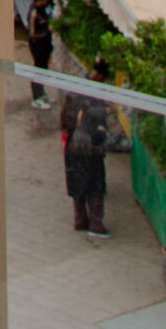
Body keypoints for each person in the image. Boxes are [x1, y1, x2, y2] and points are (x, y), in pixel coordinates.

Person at [60, 78, 112, 238]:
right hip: (91, 151)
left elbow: (65, 120)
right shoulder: (96, 103)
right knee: (95, 188)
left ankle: (80, 220)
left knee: (78, 185)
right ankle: (96, 225)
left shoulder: (73, 96)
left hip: (73, 148)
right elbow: (99, 132)